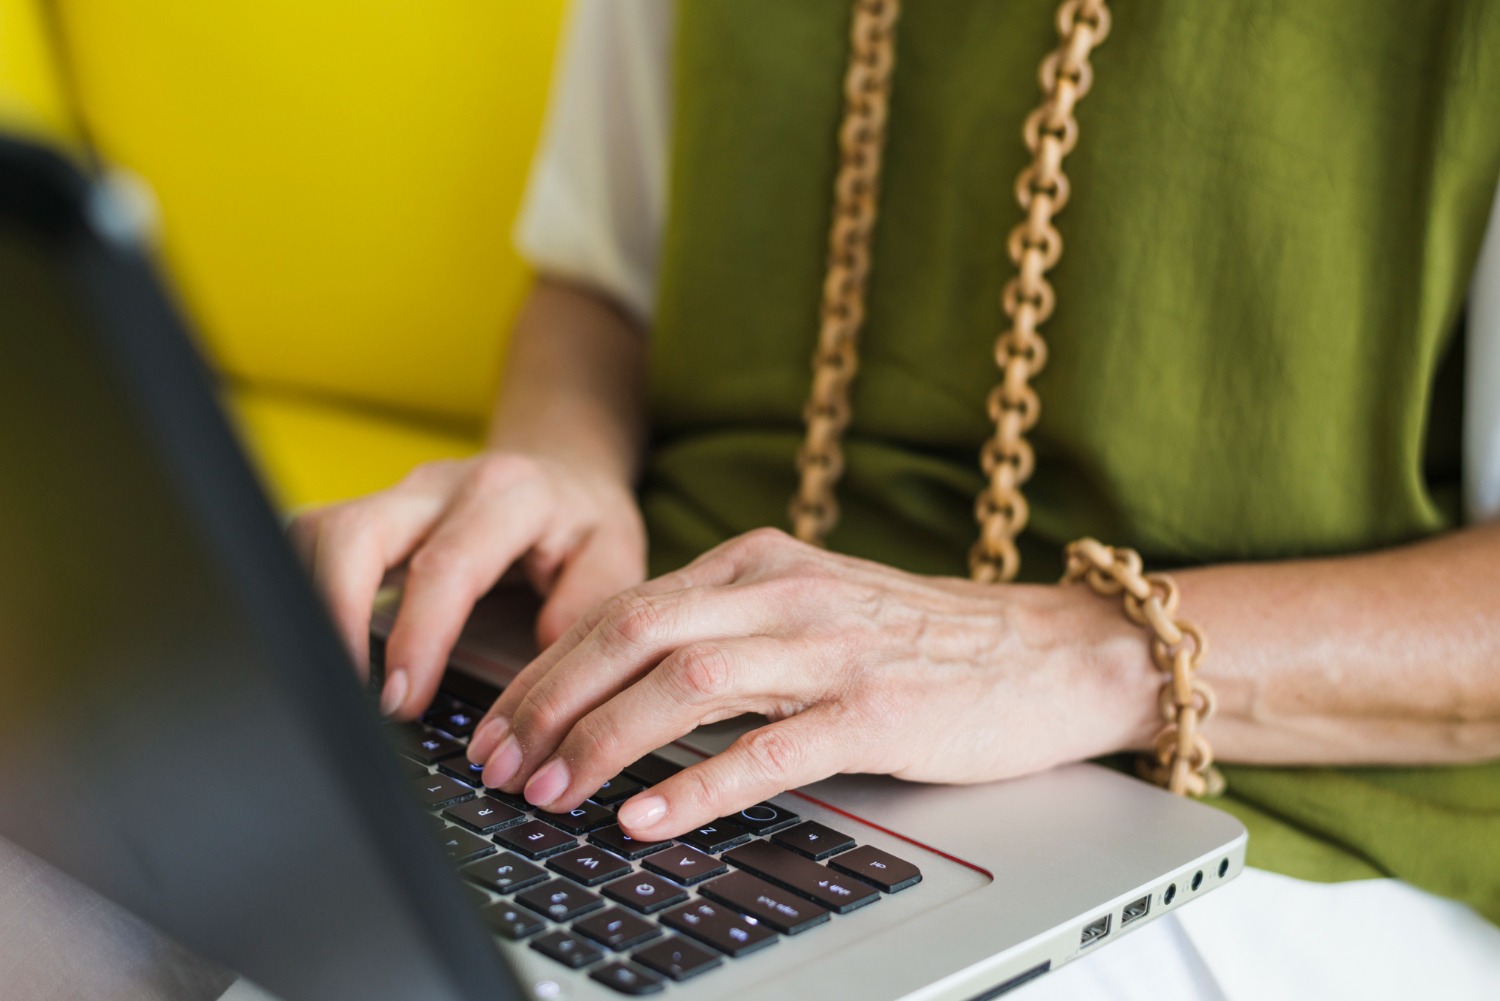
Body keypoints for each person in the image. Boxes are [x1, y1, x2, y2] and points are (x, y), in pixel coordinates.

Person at [292, 1, 1500, 996]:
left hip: (1244, 796)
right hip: (653, 668)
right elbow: (599, 281)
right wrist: (563, 464)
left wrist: (1064, 653)